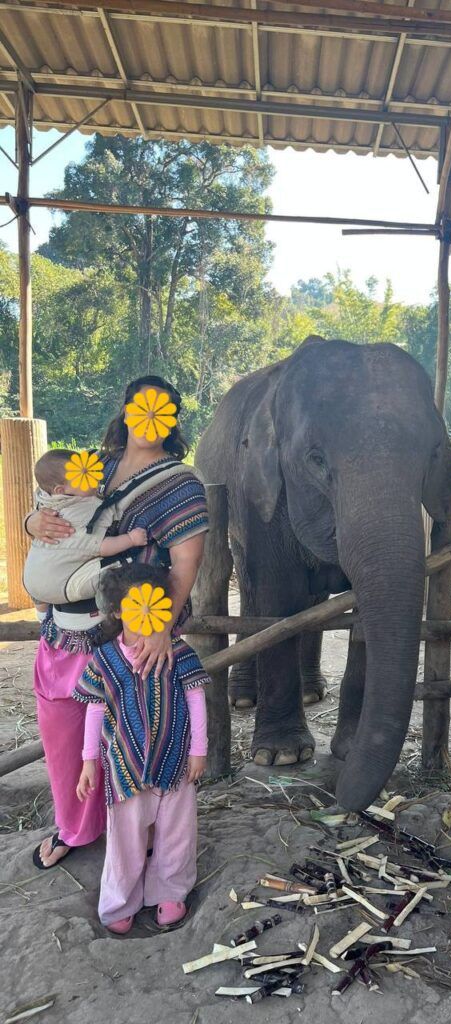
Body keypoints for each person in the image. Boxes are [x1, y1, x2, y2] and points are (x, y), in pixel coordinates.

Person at [24, 375, 208, 870]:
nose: (149, 418)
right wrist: (30, 523)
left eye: (162, 410)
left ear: (172, 421)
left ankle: (139, 834)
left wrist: (161, 627)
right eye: (141, 406)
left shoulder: (180, 483)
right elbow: (48, 502)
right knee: (64, 732)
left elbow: (185, 565)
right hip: (63, 629)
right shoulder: (91, 467)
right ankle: (76, 826)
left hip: (129, 634)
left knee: (131, 735)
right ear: (125, 410)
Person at [75, 563, 209, 933]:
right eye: (136, 605)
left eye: (153, 604)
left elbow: (196, 698)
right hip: (124, 766)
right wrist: (89, 762)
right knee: (125, 837)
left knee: (177, 831)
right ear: (117, 610)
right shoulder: (103, 660)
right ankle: (120, 901)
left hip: (176, 760)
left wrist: (199, 750)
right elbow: (94, 709)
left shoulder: (178, 653)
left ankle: (170, 891)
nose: (145, 614)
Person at [24, 449, 148, 617]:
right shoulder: (81, 512)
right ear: (60, 490)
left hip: (33, 577)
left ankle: (42, 614)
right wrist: (130, 539)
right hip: (61, 586)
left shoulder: (48, 499)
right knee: (115, 573)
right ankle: (113, 609)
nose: (95, 479)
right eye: (85, 478)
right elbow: (99, 546)